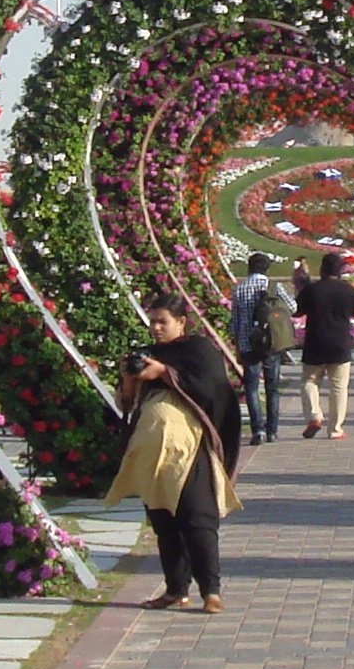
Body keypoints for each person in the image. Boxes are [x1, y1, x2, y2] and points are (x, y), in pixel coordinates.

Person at [106, 300, 243, 612]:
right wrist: (130, 378)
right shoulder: (146, 355)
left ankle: (211, 591)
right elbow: (127, 405)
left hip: (191, 450)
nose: (155, 328)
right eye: (152, 321)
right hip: (152, 455)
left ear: (182, 322)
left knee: (197, 518)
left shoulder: (199, 350)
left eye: (162, 322)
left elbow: (212, 389)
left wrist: (165, 372)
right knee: (163, 521)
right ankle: (175, 589)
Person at [294, 247, 354, 439]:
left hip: (315, 341)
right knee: (339, 387)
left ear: (322, 269)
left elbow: (298, 311)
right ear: (340, 270)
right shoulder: (348, 290)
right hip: (340, 343)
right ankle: (335, 429)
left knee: (309, 381)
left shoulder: (311, 289)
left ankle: (314, 415)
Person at [225, 252, 287, 445]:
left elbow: (234, 319)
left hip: (247, 342)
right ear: (267, 268)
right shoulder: (273, 287)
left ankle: (257, 430)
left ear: (249, 267)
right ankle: (272, 431)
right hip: (271, 342)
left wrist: (235, 341)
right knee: (272, 388)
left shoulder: (239, 289)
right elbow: (292, 307)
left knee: (252, 387)